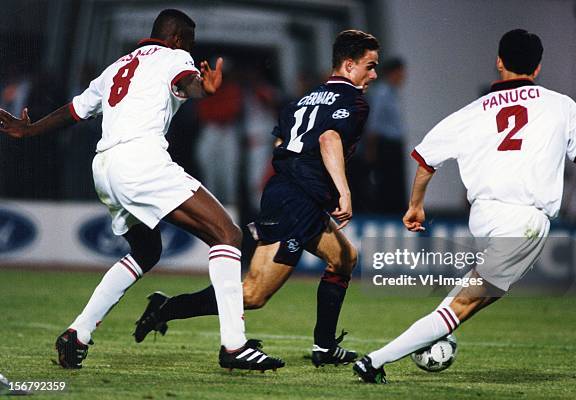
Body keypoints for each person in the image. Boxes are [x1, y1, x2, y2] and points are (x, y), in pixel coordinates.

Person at [0, 9, 284, 372]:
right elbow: (185, 81)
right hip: (141, 160)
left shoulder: (116, 67)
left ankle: (78, 333)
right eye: (191, 43)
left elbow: (75, 110)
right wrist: (204, 89)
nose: (193, 52)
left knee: (146, 251)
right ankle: (234, 345)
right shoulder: (175, 57)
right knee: (228, 235)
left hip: (104, 167)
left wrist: (29, 130)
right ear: (178, 38)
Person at [353, 29, 576, 384]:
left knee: (480, 297)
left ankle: (423, 338)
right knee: (459, 305)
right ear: (537, 68)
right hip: (522, 224)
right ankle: (375, 361)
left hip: (485, 220)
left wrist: (416, 206)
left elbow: (426, 160)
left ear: (499, 62)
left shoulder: (471, 112)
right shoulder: (560, 104)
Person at [133, 29, 380, 367]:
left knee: (344, 258)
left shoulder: (303, 99)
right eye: (370, 66)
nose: (373, 74)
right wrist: (343, 191)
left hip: (293, 194)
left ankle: (324, 347)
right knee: (253, 294)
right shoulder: (354, 102)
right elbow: (329, 140)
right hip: (298, 201)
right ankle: (167, 308)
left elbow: (281, 144)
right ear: (349, 65)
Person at [363, 57, 408, 213]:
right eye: (401, 73)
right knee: (387, 182)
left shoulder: (393, 93)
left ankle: (397, 210)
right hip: (385, 144)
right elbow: (374, 122)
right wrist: (371, 149)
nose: (403, 76)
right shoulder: (382, 93)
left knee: (396, 182)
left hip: (394, 144)